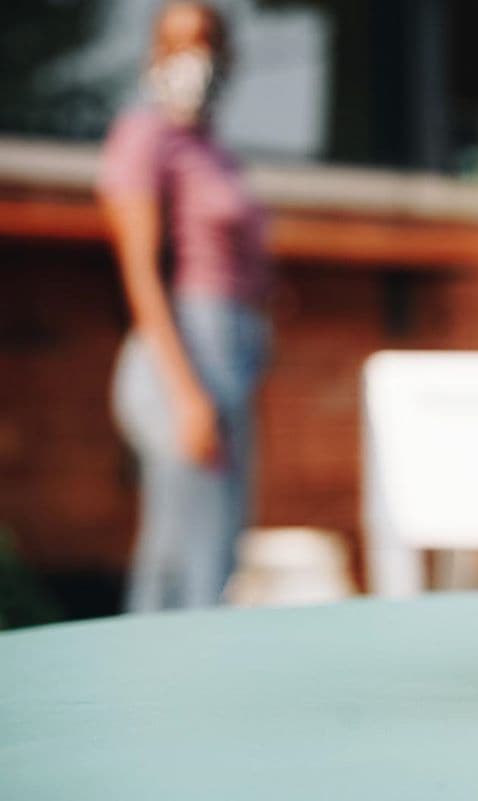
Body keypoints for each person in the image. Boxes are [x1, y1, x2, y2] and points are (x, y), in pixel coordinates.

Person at [97, 2, 271, 611]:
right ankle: (153, 697)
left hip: (230, 360)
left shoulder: (215, 152)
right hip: (183, 357)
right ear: (154, 55)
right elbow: (141, 273)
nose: (191, 57)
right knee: (178, 559)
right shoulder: (143, 136)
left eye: (203, 41)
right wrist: (186, 395)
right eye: (175, 43)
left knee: (219, 552)